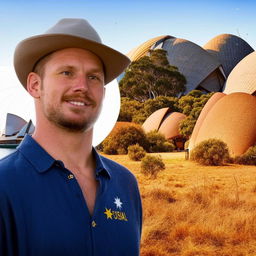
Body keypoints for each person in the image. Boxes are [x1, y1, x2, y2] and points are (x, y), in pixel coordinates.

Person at [0, 18, 142, 256]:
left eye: (93, 77)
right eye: (67, 72)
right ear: (35, 85)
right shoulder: (4, 186)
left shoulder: (125, 184)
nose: (82, 86)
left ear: (103, 93)